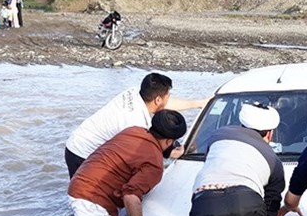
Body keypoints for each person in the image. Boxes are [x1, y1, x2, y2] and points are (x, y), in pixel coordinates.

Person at [66, 110, 187, 216]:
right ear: (169, 141)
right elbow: (130, 197)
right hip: (92, 200)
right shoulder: (154, 165)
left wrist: (168, 153)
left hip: (80, 181)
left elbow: (141, 153)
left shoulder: (133, 131)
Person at [64, 72, 204, 178]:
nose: (168, 100)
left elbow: (163, 105)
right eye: (168, 96)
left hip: (77, 140)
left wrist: (198, 103)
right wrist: (169, 153)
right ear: (157, 99)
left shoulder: (134, 93)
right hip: (83, 153)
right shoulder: (135, 122)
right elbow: (143, 150)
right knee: (90, 194)